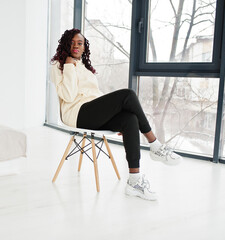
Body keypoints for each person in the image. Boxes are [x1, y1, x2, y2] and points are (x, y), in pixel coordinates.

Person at [50, 28, 182, 201]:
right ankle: (155, 144)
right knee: (128, 94)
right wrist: (69, 65)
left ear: (84, 47)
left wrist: (111, 116)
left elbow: (95, 96)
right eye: (72, 42)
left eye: (80, 43)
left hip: (92, 112)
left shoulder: (85, 68)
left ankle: (134, 181)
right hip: (76, 114)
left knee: (130, 119)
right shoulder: (59, 65)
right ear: (66, 44)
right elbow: (68, 96)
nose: (76, 45)